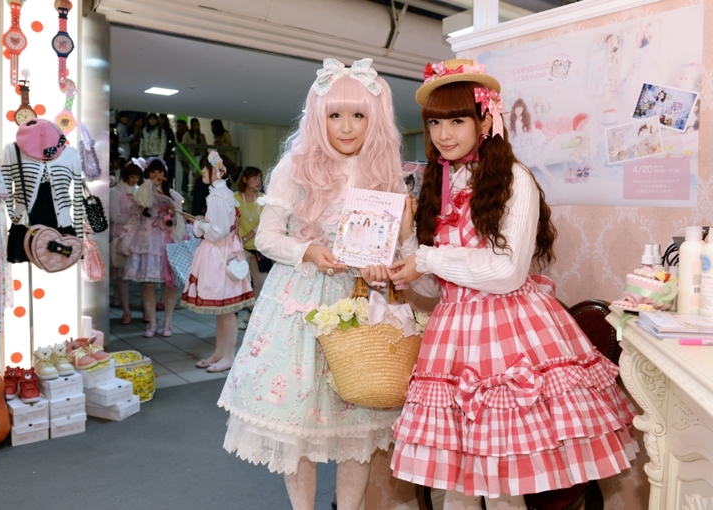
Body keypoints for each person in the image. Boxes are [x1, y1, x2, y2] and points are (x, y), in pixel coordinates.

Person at [387, 59, 637, 508]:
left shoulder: (514, 179)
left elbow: (506, 273)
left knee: (505, 486)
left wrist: (424, 256)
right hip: (451, 338)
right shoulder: (436, 185)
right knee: (456, 485)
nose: (445, 134)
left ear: (486, 119)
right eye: (436, 123)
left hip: (509, 334)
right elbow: (433, 293)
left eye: (457, 120)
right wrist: (407, 247)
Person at [218, 58, 406, 510]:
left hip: (359, 304)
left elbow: (400, 246)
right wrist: (307, 251)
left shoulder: (386, 171)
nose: (346, 127)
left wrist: (389, 263)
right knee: (296, 425)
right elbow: (265, 236)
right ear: (318, 117)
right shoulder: (295, 167)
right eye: (335, 114)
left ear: (375, 118)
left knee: (357, 422)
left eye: (358, 115)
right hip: (299, 301)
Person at [181, 151, 254, 373]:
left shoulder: (217, 196)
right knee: (222, 309)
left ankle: (228, 355)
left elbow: (217, 231)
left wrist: (199, 224)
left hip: (219, 255)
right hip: (225, 253)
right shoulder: (224, 194)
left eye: (206, 167)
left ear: (217, 171)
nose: (202, 171)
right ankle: (219, 353)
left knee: (226, 309)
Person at [123, 158, 185, 338]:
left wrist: (173, 213)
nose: (157, 175)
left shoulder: (173, 195)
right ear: (148, 174)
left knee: (169, 284)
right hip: (146, 243)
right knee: (148, 285)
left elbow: (178, 221)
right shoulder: (142, 191)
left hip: (167, 244)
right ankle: (151, 322)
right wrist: (149, 187)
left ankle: (167, 322)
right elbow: (135, 208)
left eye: (160, 172)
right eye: (153, 172)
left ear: (166, 176)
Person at [234, 166, 266, 326]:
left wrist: (247, 237)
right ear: (245, 180)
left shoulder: (263, 199)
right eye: (255, 178)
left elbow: (264, 223)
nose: (258, 182)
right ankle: (235, 317)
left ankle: (253, 315)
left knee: (261, 281)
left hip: (259, 248)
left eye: (259, 178)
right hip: (239, 247)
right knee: (240, 281)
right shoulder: (235, 198)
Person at [110, 162, 142, 324]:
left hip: (138, 236)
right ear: (126, 176)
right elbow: (113, 215)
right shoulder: (115, 192)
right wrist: (132, 220)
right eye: (132, 176)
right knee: (121, 274)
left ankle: (143, 308)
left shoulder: (140, 191)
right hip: (121, 235)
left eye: (137, 177)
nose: (135, 180)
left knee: (140, 274)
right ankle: (126, 310)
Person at [508, 98, 551, 187]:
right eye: (516, 108)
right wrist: (508, 142)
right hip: (518, 142)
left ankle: (548, 175)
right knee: (521, 163)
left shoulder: (526, 119)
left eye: (520, 108)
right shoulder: (512, 120)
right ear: (514, 109)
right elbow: (511, 133)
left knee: (536, 160)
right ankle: (525, 182)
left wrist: (543, 138)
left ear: (523, 109)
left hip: (527, 141)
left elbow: (533, 130)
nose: (518, 111)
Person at [158, 113, 177, 187]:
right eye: (159, 119)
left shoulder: (168, 130)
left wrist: (167, 149)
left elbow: (171, 142)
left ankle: (168, 185)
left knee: (167, 171)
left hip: (167, 154)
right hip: (158, 153)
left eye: (162, 119)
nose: (160, 120)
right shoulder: (157, 129)